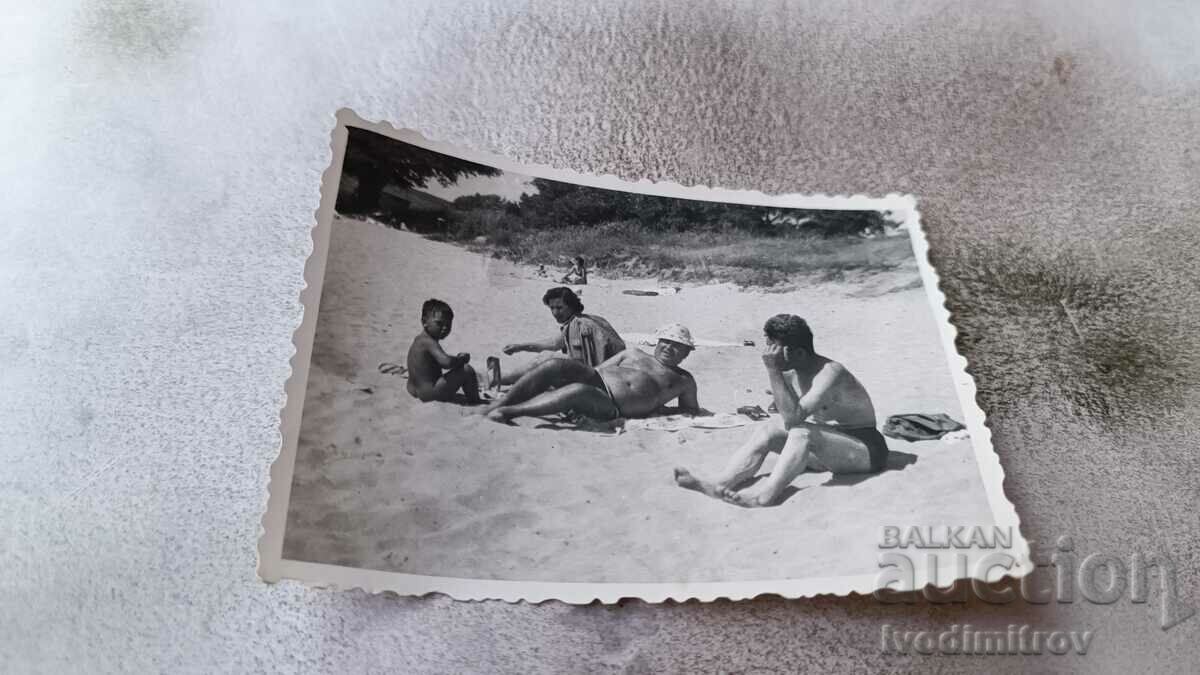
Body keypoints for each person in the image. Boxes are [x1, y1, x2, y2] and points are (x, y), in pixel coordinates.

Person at [674, 314, 888, 507]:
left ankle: (764, 497)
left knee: (801, 432)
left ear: (799, 352)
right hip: (829, 449)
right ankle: (721, 482)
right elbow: (787, 417)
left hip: (866, 449)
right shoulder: (789, 371)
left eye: (774, 349)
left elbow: (793, 420)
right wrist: (778, 374)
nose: (769, 354)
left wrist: (772, 370)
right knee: (768, 430)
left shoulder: (830, 372)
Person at [483, 323, 702, 424]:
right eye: (665, 341)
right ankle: (499, 403)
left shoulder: (684, 380)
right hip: (598, 380)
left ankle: (511, 411)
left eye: (676, 345)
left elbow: (690, 410)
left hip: (612, 405)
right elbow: (597, 370)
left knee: (578, 391)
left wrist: (658, 407)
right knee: (556, 364)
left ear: (686, 353)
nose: (668, 347)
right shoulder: (633, 353)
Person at [495, 287, 625, 386]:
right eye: (552, 308)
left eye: (560, 308)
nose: (555, 313)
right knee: (547, 358)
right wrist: (520, 347)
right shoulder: (591, 319)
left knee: (546, 359)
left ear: (572, 306)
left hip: (602, 378)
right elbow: (554, 343)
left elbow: (581, 361)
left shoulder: (578, 325)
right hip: (617, 374)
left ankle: (502, 379)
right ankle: (504, 379)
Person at [404, 299, 483, 404]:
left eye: (448, 325)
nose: (444, 328)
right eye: (439, 324)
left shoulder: (419, 339)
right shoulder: (429, 342)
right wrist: (461, 360)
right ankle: (475, 401)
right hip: (429, 394)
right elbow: (446, 362)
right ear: (424, 322)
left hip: (414, 390)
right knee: (466, 370)